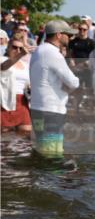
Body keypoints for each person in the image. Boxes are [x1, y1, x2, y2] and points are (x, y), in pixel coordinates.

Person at [27, 20, 79, 158]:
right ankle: (49, 179)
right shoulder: (53, 54)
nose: (70, 38)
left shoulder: (39, 50)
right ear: (58, 35)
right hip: (51, 111)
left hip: (38, 108)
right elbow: (73, 82)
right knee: (52, 154)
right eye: (68, 34)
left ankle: (37, 178)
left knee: (41, 150)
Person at [1, 37, 33, 133]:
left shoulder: (25, 65)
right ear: (8, 48)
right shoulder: (2, 59)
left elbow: (28, 82)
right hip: (5, 102)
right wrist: (21, 54)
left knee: (25, 133)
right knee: (5, 136)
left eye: (20, 48)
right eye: (14, 47)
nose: (18, 50)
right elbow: (3, 67)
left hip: (22, 102)